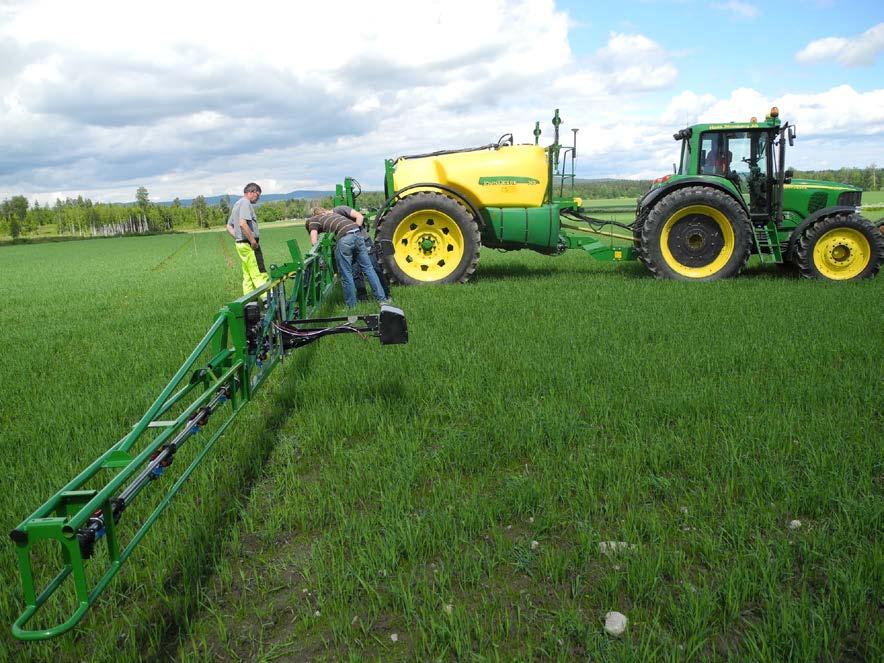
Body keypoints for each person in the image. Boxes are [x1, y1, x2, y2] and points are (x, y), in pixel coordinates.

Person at [306, 205, 389, 308]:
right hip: (358, 235)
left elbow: (314, 240)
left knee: (346, 273)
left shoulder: (313, 220)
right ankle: (382, 300)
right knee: (369, 269)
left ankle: (351, 306)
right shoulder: (334, 214)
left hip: (345, 238)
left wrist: (318, 254)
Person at [226, 183, 269, 297]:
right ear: (251, 192)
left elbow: (229, 226)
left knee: (247, 276)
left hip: (240, 245)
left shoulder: (237, 204)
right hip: (249, 245)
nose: (258, 198)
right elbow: (242, 223)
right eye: (257, 195)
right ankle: (267, 301)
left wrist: (238, 238)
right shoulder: (245, 202)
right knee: (258, 273)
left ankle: (250, 304)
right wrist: (252, 241)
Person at [353, 226, 390, 301]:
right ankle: (363, 299)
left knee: (374, 269)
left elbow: (359, 217)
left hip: (363, 240)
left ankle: (386, 294)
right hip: (351, 243)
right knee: (356, 271)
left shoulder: (343, 213)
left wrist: (354, 233)